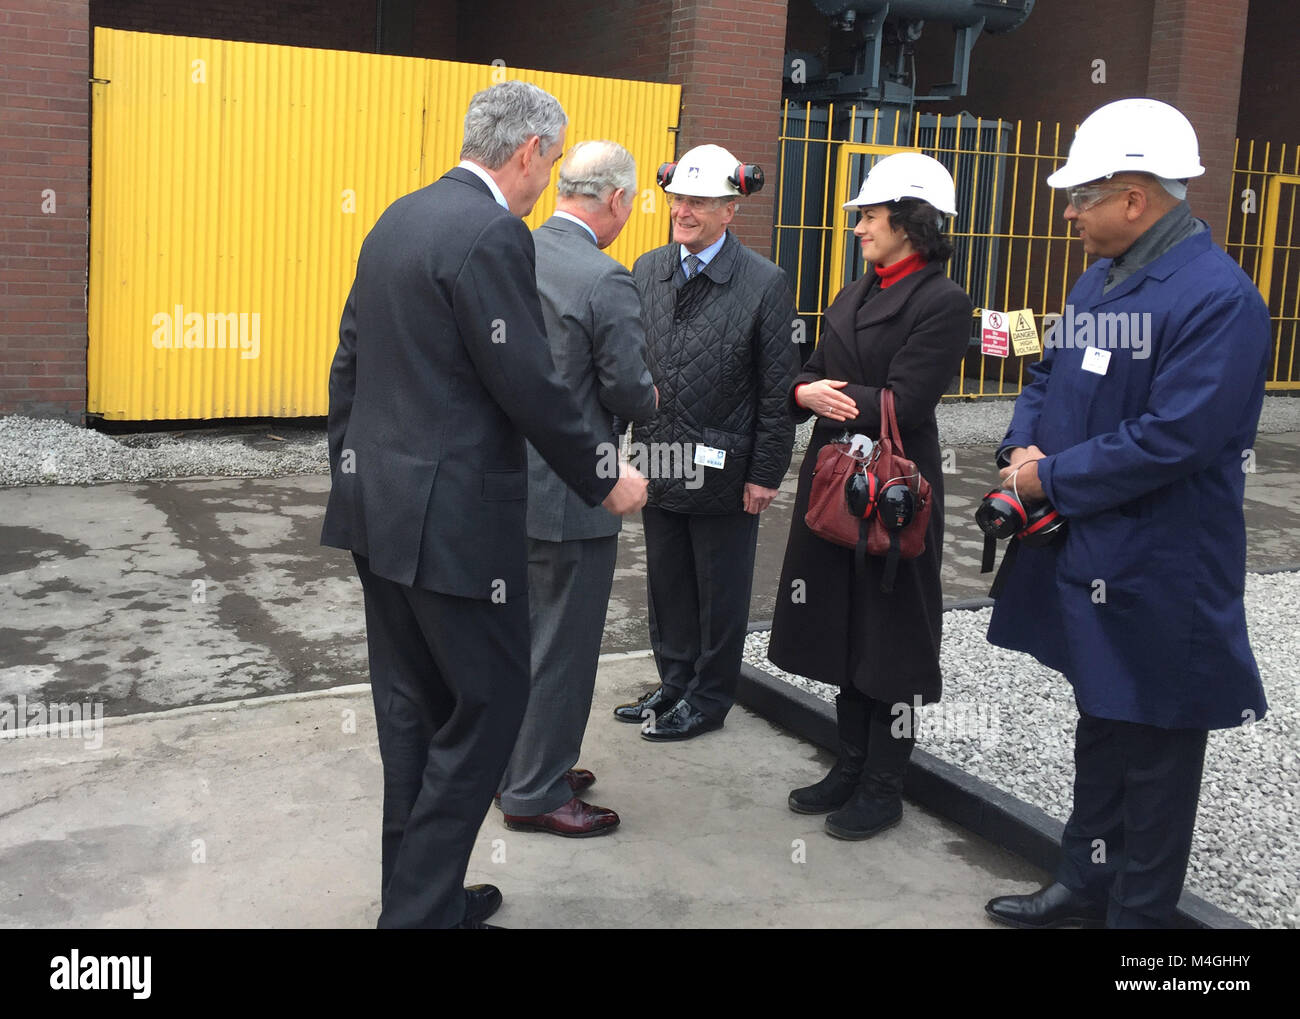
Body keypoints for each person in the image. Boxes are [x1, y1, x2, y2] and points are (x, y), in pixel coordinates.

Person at [321, 82, 647, 928]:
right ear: (530, 151)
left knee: (412, 715)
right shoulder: (494, 231)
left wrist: (351, 476)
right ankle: (418, 912)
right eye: (554, 158)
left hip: (379, 518)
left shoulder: (400, 215)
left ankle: (420, 896)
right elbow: (528, 382)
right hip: (453, 531)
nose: (550, 178)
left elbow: (348, 361)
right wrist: (603, 473)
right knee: (494, 704)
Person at [982, 98, 1271, 929]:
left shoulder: (1218, 299)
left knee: (1156, 749)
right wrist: (1017, 453)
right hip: (1095, 551)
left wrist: (1049, 478)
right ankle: (1084, 881)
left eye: (1082, 198)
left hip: (1161, 566)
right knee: (1102, 720)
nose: (1069, 213)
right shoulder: (1100, 275)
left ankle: (1138, 922)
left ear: (1135, 199)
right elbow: (1045, 378)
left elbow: (1173, 439)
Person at [766, 153, 973, 839]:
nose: (858, 227)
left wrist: (828, 396)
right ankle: (848, 764)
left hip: (896, 490)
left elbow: (909, 401)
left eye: (870, 216)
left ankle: (884, 785)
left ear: (910, 223)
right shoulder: (854, 294)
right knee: (844, 626)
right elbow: (811, 372)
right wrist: (802, 390)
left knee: (895, 638)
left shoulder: (942, 302)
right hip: (838, 484)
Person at [496, 140, 657, 837]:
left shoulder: (510, 254)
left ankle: (518, 762)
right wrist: (652, 394)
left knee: (516, 637)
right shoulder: (604, 279)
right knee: (562, 646)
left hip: (504, 483)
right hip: (574, 493)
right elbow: (626, 386)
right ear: (617, 199)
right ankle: (536, 790)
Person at [612, 143, 798, 741]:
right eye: (677, 199)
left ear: (729, 210)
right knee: (667, 584)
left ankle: (709, 698)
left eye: (698, 201)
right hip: (660, 459)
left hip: (724, 468)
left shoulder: (764, 283)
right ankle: (673, 684)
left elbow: (777, 388)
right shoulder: (649, 268)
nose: (683, 211)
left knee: (718, 591)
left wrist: (766, 473)